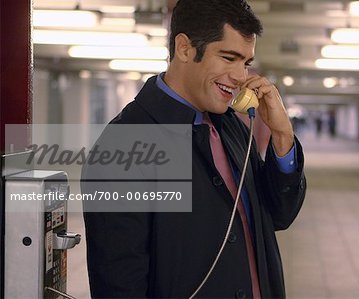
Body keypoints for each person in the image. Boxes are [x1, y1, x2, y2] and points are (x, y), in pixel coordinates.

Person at [82, 0, 306, 298]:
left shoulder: (232, 125)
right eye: (229, 57)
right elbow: (118, 281)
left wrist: (282, 136)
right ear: (185, 48)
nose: (241, 77)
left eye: (246, 63)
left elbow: (278, 215)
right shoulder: (126, 145)